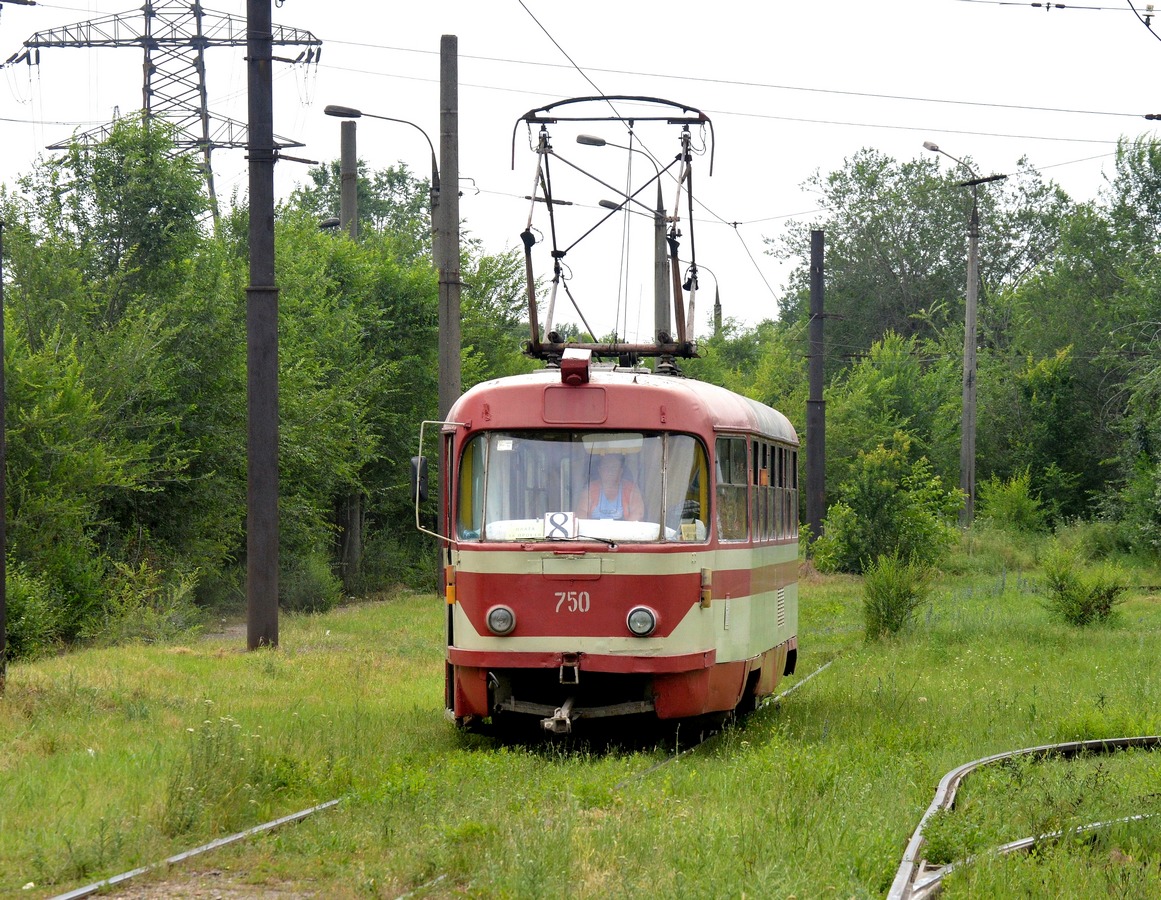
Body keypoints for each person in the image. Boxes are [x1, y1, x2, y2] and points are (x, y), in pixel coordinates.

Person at [577, 453, 645, 521]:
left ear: (620, 471)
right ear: (600, 470)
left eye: (614, 467)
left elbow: (638, 513)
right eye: (606, 467)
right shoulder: (590, 489)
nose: (610, 471)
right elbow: (581, 513)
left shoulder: (631, 489)